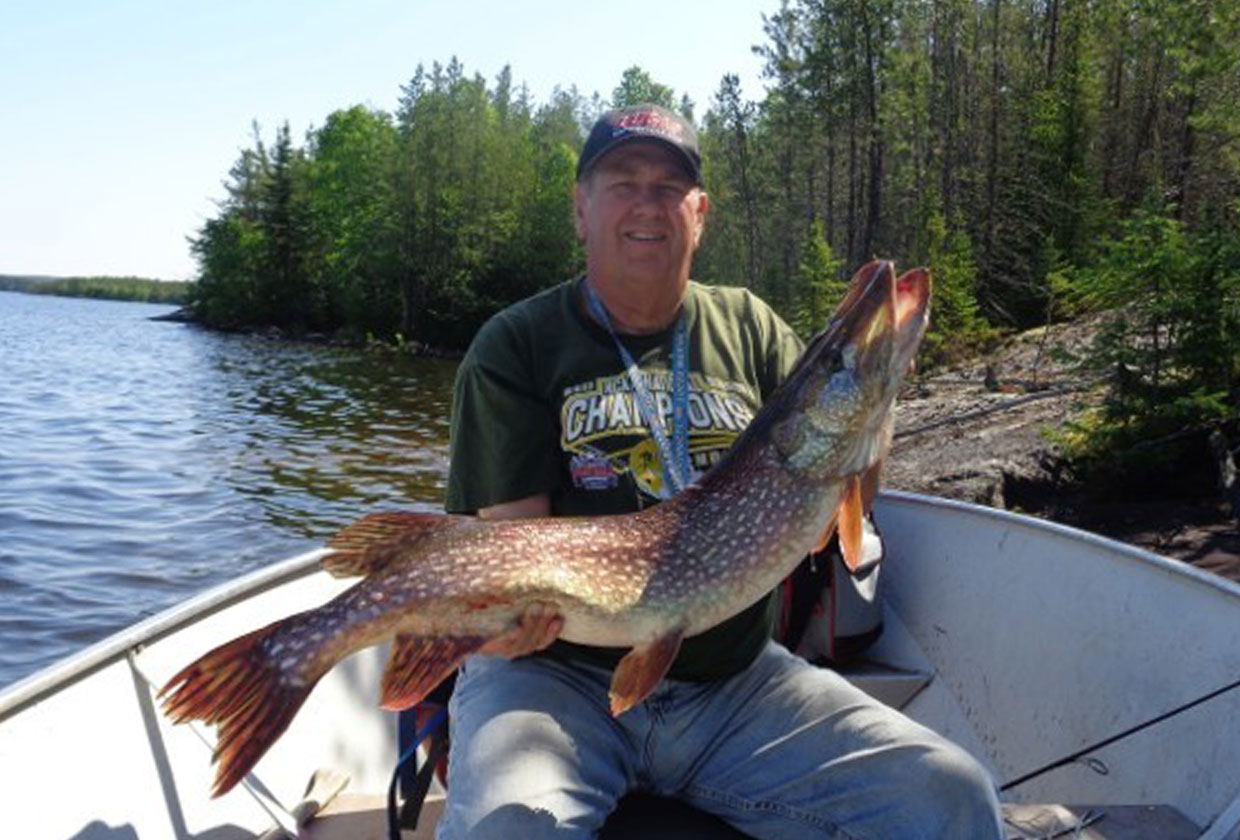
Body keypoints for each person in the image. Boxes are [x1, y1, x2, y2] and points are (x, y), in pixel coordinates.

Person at [437, 103, 1003, 840]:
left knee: (951, 799)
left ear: (699, 214)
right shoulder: (516, 345)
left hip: (735, 686)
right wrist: (500, 625)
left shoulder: (751, 327)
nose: (647, 204)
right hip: (553, 684)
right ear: (581, 208)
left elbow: (846, 508)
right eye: (622, 182)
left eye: (670, 187)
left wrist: (875, 395)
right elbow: (518, 546)